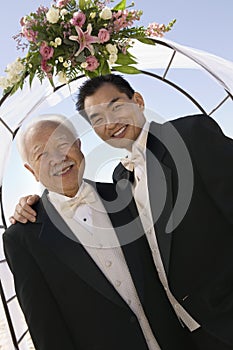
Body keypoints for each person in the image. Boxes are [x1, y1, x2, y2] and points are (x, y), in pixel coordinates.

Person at [11, 74, 233, 349]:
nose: (111, 123)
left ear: (138, 101)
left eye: (115, 107)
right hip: (191, 335)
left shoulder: (189, 135)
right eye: (42, 154)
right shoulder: (121, 181)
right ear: (31, 170)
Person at [3, 114, 195, 350]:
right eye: (41, 154)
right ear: (31, 170)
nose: (57, 158)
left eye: (63, 144)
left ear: (79, 146)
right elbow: (46, 330)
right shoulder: (22, 238)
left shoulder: (125, 194)